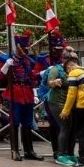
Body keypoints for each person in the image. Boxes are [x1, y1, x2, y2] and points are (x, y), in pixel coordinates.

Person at [0, 30, 44, 162]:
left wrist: (35, 92)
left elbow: (32, 77)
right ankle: (15, 151)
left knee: (28, 123)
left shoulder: (28, 61)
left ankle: (29, 150)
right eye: (23, 47)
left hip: (27, 92)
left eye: (26, 47)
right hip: (15, 92)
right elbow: (0, 77)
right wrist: (6, 65)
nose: (25, 50)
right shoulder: (7, 59)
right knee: (15, 122)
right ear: (17, 47)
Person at [35, 29, 67, 160]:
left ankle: (66, 150)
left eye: (60, 49)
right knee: (54, 123)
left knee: (66, 123)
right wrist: (44, 72)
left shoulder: (65, 60)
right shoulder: (43, 60)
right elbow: (34, 74)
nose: (58, 51)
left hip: (65, 94)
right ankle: (56, 150)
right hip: (50, 95)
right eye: (55, 49)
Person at [48, 48, 77, 166]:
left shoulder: (75, 69)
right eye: (71, 60)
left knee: (72, 128)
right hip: (57, 103)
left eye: (75, 60)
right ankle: (61, 154)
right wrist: (54, 82)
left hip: (70, 103)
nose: (73, 62)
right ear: (64, 60)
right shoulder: (56, 69)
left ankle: (70, 153)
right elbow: (49, 82)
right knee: (64, 127)